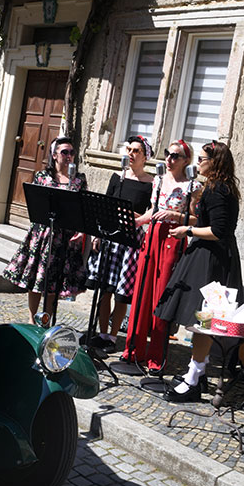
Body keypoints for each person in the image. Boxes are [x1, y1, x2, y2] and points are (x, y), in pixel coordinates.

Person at [156, 141, 244, 402]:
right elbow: (210, 223)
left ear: (215, 162)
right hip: (211, 257)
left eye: (203, 159)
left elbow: (219, 231)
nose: (198, 163)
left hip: (212, 261)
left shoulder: (218, 190)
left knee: (204, 321)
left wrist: (187, 230)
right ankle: (196, 374)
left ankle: (194, 380)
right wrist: (180, 217)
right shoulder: (218, 188)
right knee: (202, 321)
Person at [121, 140, 199, 372]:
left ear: (186, 160)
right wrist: (135, 222)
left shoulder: (192, 186)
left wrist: (176, 215)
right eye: (168, 154)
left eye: (175, 156)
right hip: (153, 235)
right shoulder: (158, 180)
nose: (169, 159)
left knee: (161, 296)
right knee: (142, 292)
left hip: (172, 239)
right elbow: (152, 211)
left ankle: (156, 357)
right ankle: (134, 350)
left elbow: (195, 219)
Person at [2, 136, 89, 324]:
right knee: (36, 281)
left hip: (65, 238)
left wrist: (81, 231)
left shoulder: (79, 180)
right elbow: (36, 204)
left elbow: (83, 209)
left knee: (54, 285)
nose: (68, 156)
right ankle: (33, 319)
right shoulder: (43, 177)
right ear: (54, 155)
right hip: (43, 235)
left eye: (72, 153)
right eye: (64, 152)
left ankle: (46, 321)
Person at [85, 136, 154, 349]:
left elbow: (153, 210)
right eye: (129, 150)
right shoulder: (118, 177)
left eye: (136, 151)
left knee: (121, 293)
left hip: (130, 241)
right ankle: (102, 333)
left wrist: (138, 217)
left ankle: (113, 337)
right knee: (104, 288)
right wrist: (97, 235)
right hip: (110, 238)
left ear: (145, 157)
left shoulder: (151, 183)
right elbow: (105, 205)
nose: (131, 154)